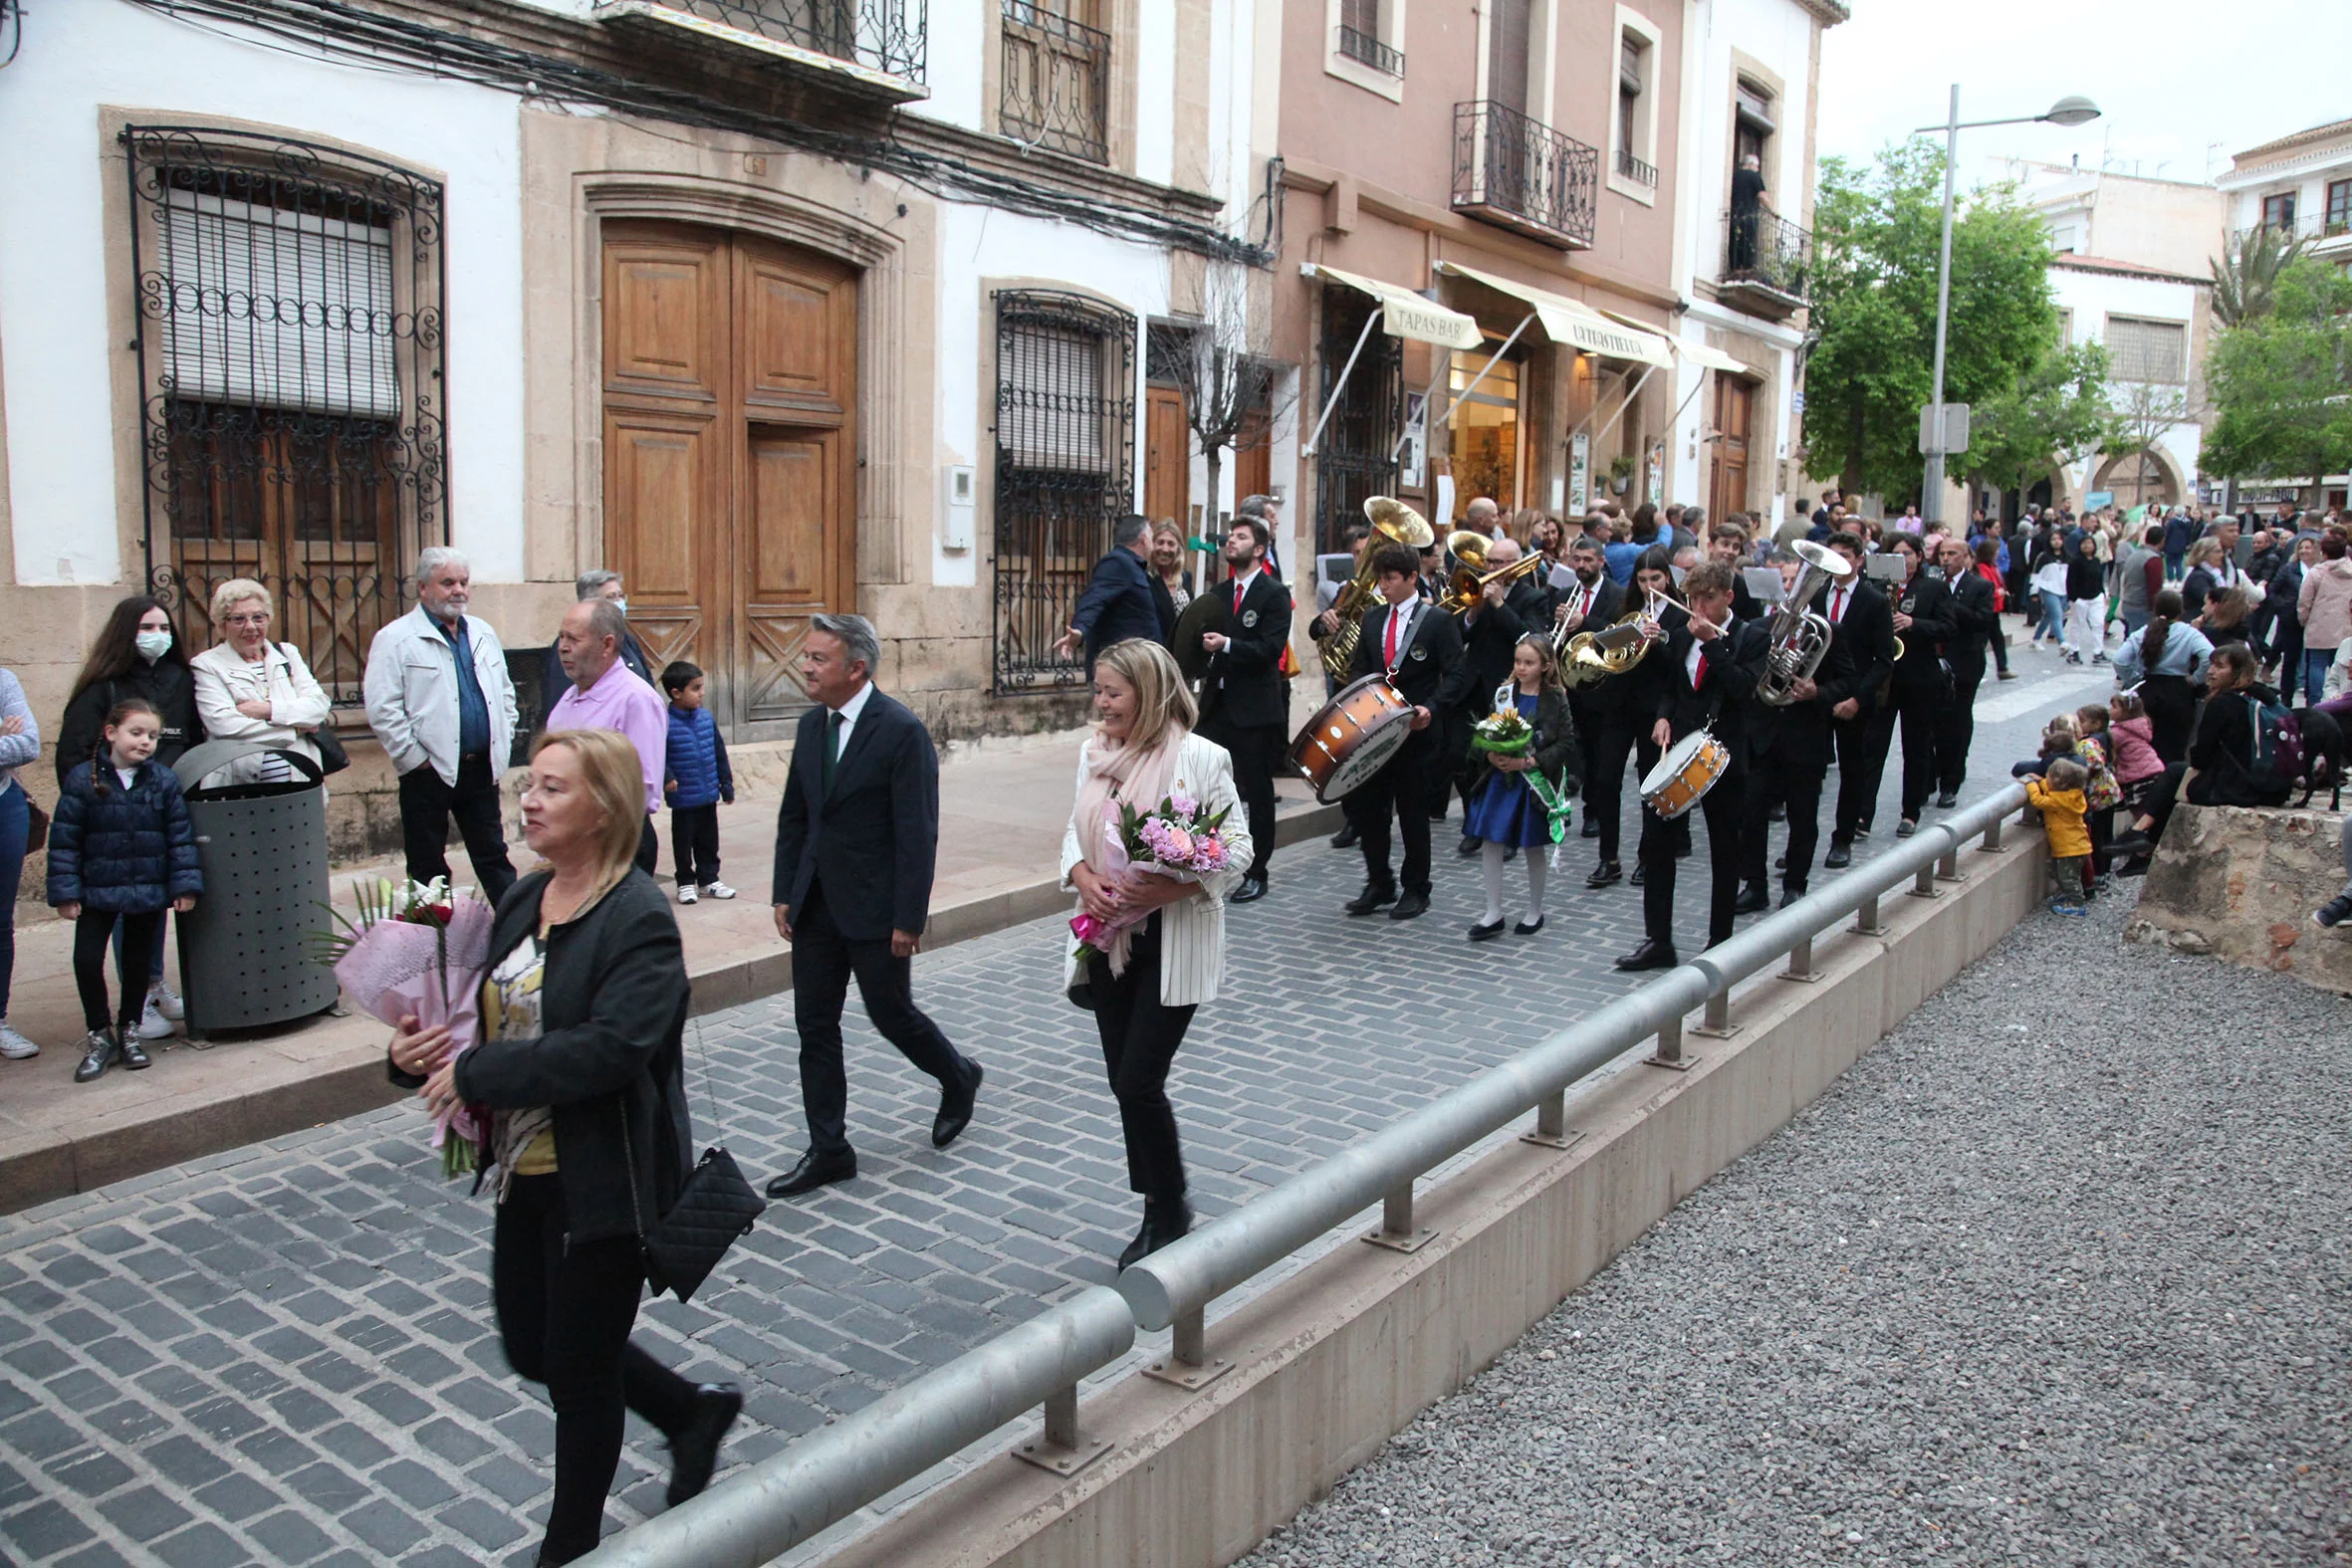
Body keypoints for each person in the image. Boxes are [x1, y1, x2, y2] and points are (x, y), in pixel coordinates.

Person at [387, 728, 741, 1564]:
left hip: (605, 1179)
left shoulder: (640, 917)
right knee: (531, 1342)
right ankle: (690, 1409)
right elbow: (477, 1016)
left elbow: (610, 1049)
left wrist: (477, 1072)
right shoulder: (524, 897)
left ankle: (569, 1547)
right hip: (524, 1172)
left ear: (605, 808)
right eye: (530, 785)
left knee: (578, 1376)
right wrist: (414, 1056)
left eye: (552, 789)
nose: (529, 801)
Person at [768, 613, 983, 1199]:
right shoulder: (813, 727)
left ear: (855, 668)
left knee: (891, 1013)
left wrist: (907, 917)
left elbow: (918, 832)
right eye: (806, 656)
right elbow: (796, 815)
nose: (805, 667)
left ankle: (958, 1075)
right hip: (815, 903)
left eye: (818, 658)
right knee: (814, 1024)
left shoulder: (900, 731)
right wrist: (785, 889)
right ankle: (830, 1148)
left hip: (874, 905)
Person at [1059, 638, 1249, 1269]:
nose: (1101, 701)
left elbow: (1240, 851)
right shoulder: (1096, 754)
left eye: (1113, 691)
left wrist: (1175, 881)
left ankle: (1168, 1207)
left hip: (1173, 938)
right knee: (1124, 1082)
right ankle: (1158, 1204)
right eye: (1099, 689)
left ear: (1151, 692)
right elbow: (1074, 831)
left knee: (1139, 1079)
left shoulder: (1201, 758)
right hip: (1108, 938)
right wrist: (1084, 877)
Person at [57, 595, 204, 1036]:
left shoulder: (180, 678)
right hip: (112, 816)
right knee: (120, 911)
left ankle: (153, 984)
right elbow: (73, 755)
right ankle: (131, 1003)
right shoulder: (103, 686)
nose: (156, 636)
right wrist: (98, 802)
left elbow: (193, 736)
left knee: (151, 906)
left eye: (163, 627)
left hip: (164, 808)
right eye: (146, 628)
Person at [47, 699, 202, 1082]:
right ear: (111, 733)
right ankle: (99, 1033)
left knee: (137, 964)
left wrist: (184, 885)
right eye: (136, 733)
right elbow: (65, 840)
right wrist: (67, 892)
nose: (146, 741)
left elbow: (179, 838)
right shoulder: (83, 780)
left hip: (146, 886)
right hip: (98, 887)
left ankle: (130, 1028)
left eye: (152, 735)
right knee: (87, 959)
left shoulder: (163, 780)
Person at [1618, 562, 1761, 970]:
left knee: (1724, 849)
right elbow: (1672, 687)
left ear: (1728, 597)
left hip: (1724, 757)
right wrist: (1662, 716)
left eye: (1708, 599)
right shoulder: (1681, 636)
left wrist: (1713, 645)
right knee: (1658, 845)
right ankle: (1658, 939)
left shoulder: (1750, 637)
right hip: (1680, 749)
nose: (1698, 608)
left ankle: (1720, 938)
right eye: (1692, 599)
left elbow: (1743, 689)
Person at [364, 548, 521, 905]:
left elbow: (506, 693)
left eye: (464, 582)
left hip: (481, 768)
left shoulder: (482, 632)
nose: (458, 590)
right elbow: (382, 707)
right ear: (422, 588)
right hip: (427, 772)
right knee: (427, 867)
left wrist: (504, 738)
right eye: (447, 582)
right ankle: (432, 942)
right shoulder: (395, 638)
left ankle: (518, 938)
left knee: (494, 858)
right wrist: (414, 758)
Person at [1343, 542, 1471, 921]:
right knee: (1370, 810)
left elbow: (1458, 672)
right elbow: (1359, 667)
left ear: (1412, 578)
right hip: (1376, 730)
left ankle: (1417, 888)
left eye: (1391, 579)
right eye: (1380, 579)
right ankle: (1378, 881)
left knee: (1413, 812)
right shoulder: (1372, 619)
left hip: (1416, 731)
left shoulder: (1437, 621)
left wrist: (1432, 707)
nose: (1383, 586)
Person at [2108, 645, 2288, 866]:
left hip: (2240, 789)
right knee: (2176, 774)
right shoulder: (2263, 698)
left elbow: (2201, 758)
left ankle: (2142, 835)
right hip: (2271, 785)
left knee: (2175, 772)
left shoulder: (2222, 703)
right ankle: (2142, 838)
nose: (2211, 671)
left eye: (2220, 666)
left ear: (2237, 672)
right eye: (2211, 664)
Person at [1193, 516, 1290, 904]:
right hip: (1216, 707)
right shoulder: (1217, 593)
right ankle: (1204, 859)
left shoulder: (1274, 594)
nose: (1231, 542)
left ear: (1260, 549)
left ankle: (1257, 871)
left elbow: (1270, 649)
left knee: (1257, 791)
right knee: (1201, 783)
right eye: (1231, 536)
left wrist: (1227, 645)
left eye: (1242, 537)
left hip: (1254, 710)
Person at [1462, 634, 1577, 940]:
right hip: (1500, 779)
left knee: (1531, 844)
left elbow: (1566, 742)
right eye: (1518, 661)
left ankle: (1534, 910)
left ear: (1545, 665)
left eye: (1529, 662)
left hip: (1532, 779)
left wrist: (1529, 762)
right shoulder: (1503, 694)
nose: (1521, 667)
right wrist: (1490, 753)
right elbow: (1487, 727)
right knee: (1491, 841)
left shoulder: (1555, 698)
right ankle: (1492, 911)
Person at [547, 599, 668, 877]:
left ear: (607, 645)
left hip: (615, 845)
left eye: (574, 639)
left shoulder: (635, 699)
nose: (563, 647)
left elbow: (643, 789)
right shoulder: (569, 697)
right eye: (561, 637)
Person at [1581, 551, 1678, 887]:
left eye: (1656, 579)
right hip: (1619, 706)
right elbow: (1606, 652)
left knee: (1649, 787)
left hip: (1655, 711)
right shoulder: (1625, 610)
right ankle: (1608, 858)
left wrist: (1658, 641)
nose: (1650, 586)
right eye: (1642, 580)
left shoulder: (1678, 614)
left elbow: (1679, 669)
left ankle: (1647, 856)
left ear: (1667, 578)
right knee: (1606, 781)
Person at [188, 578, 333, 787]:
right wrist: (295, 730)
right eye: (238, 619)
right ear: (222, 624)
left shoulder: (287, 653)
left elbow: (318, 707)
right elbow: (223, 724)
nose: (250, 627)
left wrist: (268, 710)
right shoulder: (207, 664)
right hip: (241, 784)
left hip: (300, 777)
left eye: (258, 617)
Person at [1819, 532, 1894, 869]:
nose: (1839, 561)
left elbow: (1884, 661)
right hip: (1819, 696)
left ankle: (1843, 837)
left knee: (1853, 771)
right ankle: (1800, 845)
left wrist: (1857, 699)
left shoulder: (1875, 601)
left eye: (1846, 555)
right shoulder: (1816, 595)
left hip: (1856, 700)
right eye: (1833, 554)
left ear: (1860, 560)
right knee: (1805, 771)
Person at [1451, 537, 1529, 854]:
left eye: (1500, 563)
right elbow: (1460, 633)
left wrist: (1499, 604)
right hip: (1472, 686)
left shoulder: (1532, 596)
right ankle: (1474, 820)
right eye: (1490, 562)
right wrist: (1474, 610)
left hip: (1508, 688)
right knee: (1461, 756)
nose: (1493, 569)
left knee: (1504, 762)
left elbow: (1527, 637)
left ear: (1516, 566)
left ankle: (1506, 830)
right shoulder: (1478, 595)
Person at [1552, 536, 1625, 843]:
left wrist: (1584, 622)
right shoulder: (1564, 593)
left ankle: (1593, 812)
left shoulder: (1618, 594)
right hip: (1566, 683)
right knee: (1567, 748)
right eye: (1577, 559)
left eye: (1588, 560)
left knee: (1596, 752)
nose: (1581, 565)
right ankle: (1559, 807)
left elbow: (1618, 635)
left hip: (1600, 685)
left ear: (1601, 562)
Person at [659, 661, 735, 905]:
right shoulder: (664, 722)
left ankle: (709, 880)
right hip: (683, 797)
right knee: (683, 843)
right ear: (676, 693)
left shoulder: (705, 717)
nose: (702, 693)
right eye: (696, 688)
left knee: (708, 840)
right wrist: (667, 776)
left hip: (708, 793)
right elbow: (656, 753)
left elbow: (719, 751)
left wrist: (726, 784)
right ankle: (685, 882)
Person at [2109, 590, 2213, 766]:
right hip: (2179, 692)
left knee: (2145, 744)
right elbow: (2209, 655)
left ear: (2155, 610)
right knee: (2174, 747)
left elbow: (2120, 660)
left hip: (2149, 690)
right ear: (2181, 611)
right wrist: (2196, 679)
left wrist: (2134, 679)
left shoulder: (2144, 632)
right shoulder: (2189, 633)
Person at [1932, 535, 1997, 809]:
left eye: (1952, 554)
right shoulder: (1931, 583)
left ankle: (1951, 781)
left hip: (1964, 662)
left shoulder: (1980, 586)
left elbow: (1982, 621)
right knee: (1931, 722)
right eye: (1942, 554)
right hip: (1932, 660)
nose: (1945, 559)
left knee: (1957, 722)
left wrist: (1947, 603)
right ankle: (1928, 776)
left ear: (1966, 558)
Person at [1056, 516, 1167, 670]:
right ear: (1143, 540)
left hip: (1138, 667)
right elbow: (1094, 599)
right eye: (1152, 537)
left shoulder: (1135, 567)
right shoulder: (1117, 562)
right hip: (1121, 670)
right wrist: (1079, 630)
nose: (1153, 546)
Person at [542, 570, 652, 718]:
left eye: (620, 595)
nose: (619, 602)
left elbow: (646, 680)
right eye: (611, 597)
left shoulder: (627, 639)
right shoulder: (568, 646)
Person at [0, 667, 34, 1061]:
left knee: (0, 920)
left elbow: (28, 745)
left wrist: (12, 739)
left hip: (5, 806)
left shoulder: (4, 680)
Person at [2023, 758, 2091, 917]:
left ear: (2059, 783)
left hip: (2070, 849)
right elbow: (2051, 790)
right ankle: (2067, 895)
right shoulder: (2069, 795)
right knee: (2058, 871)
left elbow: (2038, 800)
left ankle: (2077, 904)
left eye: (2049, 776)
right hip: (2073, 846)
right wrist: (2041, 781)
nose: (2046, 778)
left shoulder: (2059, 801)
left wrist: (2031, 785)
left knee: (2068, 877)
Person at [2296, 532, 2352, 705]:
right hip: (2346, 625)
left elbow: (2304, 601)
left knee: (2317, 665)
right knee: (2342, 666)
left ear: (2323, 552)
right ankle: (2343, 699)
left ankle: (2314, 702)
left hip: (2319, 625)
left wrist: (2304, 620)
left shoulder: (2316, 573)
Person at [1728, 150, 1766, 272]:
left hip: (1734, 216)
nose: (1757, 169)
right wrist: (1774, 212)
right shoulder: (1754, 176)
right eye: (1756, 166)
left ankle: (1735, 270)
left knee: (1735, 243)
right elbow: (1762, 196)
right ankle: (1746, 270)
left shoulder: (1734, 176)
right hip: (1748, 217)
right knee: (1748, 244)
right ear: (1750, 165)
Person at [1148, 519, 1196, 614]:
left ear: (1178, 548)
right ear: (1152, 544)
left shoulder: (1186, 577)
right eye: (1160, 542)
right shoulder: (1145, 577)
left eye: (1171, 544)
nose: (1165, 549)